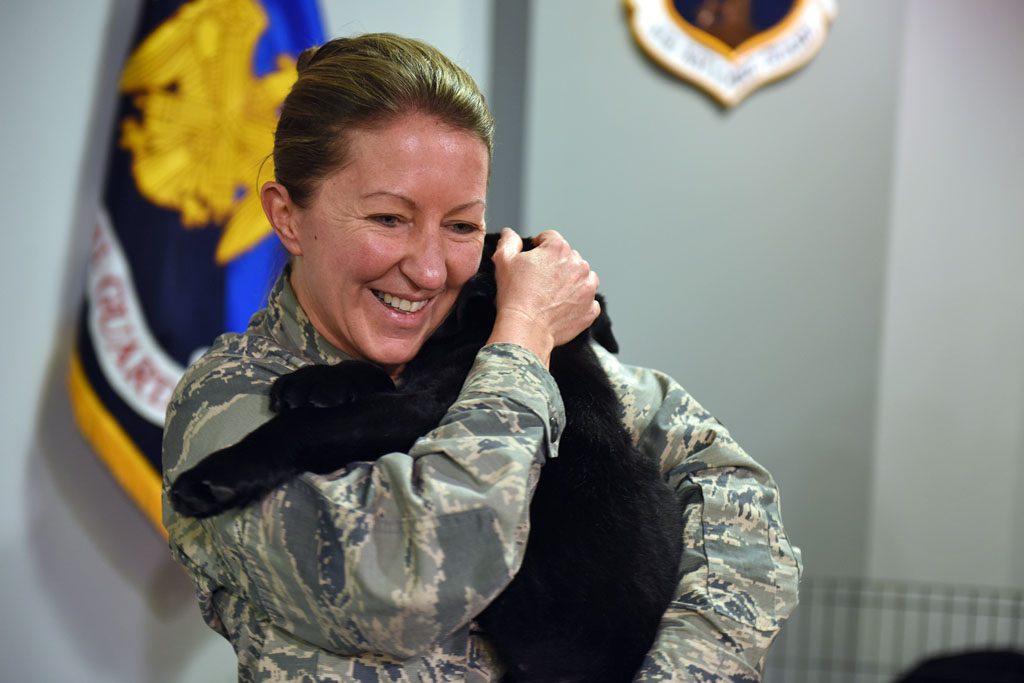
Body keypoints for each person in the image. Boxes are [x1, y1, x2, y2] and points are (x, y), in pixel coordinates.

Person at [162, 33, 801, 682]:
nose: (431, 268)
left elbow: (739, 502)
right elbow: (410, 586)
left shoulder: (517, 346)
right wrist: (521, 339)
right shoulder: (230, 403)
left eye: (462, 225)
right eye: (389, 218)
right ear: (289, 217)